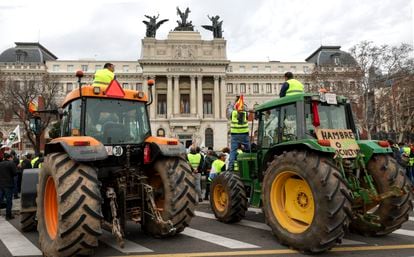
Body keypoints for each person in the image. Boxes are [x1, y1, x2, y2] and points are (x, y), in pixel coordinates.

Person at [228, 96, 250, 171]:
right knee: (249, 149)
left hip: (235, 135)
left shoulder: (233, 113)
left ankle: (230, 167)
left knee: (233, 151)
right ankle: (251, 163)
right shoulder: (245, 112)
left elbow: (229, 110)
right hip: (244, 134)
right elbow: (248, 113)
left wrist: (233, 104)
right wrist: (243, 105)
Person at [0, 153, 17, 220]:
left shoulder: (0, 164)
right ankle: (8, 215)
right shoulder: (11, 163)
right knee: (9, 200)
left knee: (0, 199)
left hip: (1, 184)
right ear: (9, 158)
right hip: (8, 184)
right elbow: (15, 173)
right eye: (11, 158)